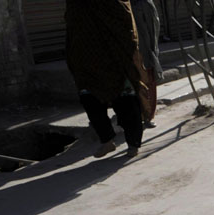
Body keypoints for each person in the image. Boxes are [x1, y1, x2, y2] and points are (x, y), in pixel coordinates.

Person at [65, 0, 151, 158]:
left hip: (115, 55)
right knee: (89, 99)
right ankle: (106, 141)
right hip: (86, 56)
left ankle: (133, 144)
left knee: (126, 100)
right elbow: (72, 25)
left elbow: (125, 21)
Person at [131, 0, 163, 129]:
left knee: (148, 82)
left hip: (144, 51)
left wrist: (152, 52)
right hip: (129, 51)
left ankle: (148, 116)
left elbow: (153, 28)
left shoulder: (144, 3)